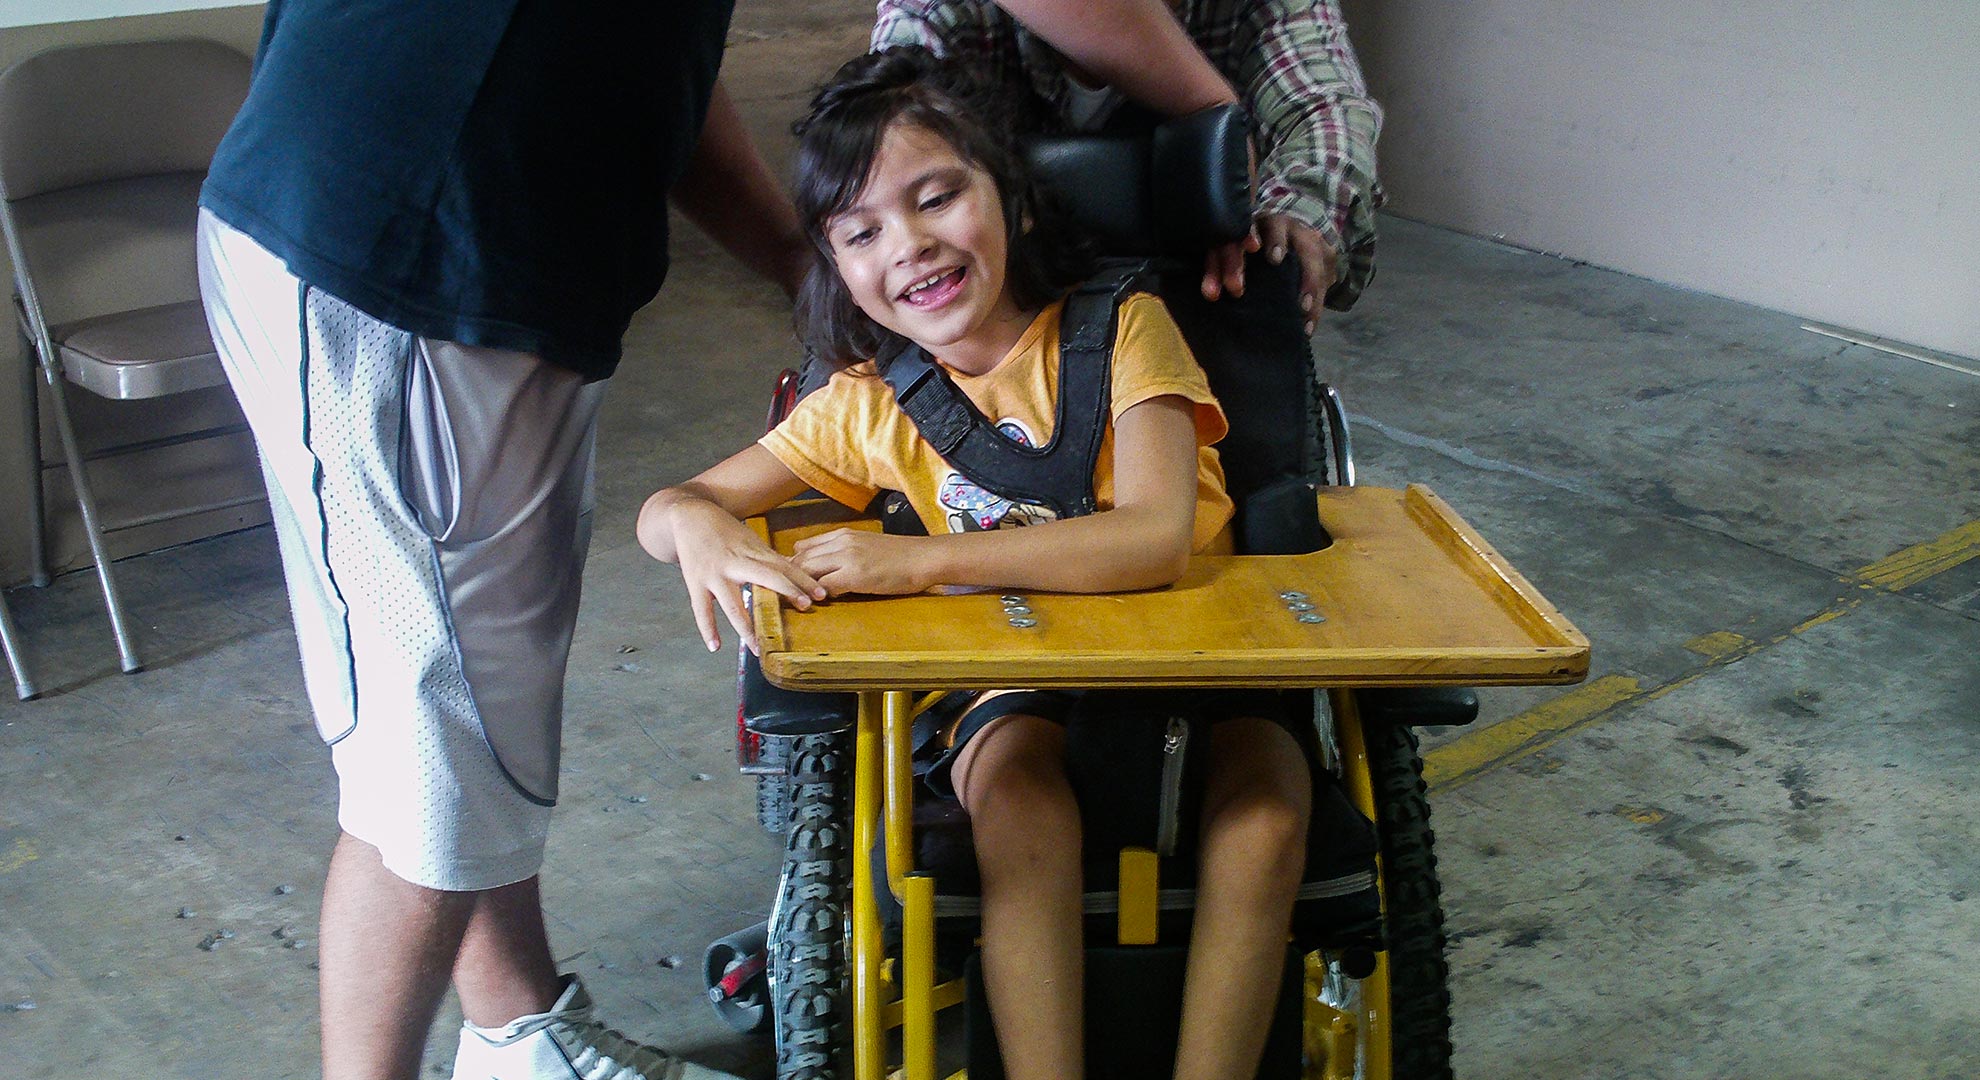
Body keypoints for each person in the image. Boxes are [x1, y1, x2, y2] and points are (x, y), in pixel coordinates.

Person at [635, 48, 1314, 1080]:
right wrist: (696, 526)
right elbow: (675, 504)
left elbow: (1151, 539)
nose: (906, 246)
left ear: (1016, 202)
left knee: (1265, 822)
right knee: (1022, 811)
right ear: (838, 265)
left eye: (936, 196)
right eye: (862, 232)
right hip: (1018, 679)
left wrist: (912, 564)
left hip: (1206, 661)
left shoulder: (1125, 331)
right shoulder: (868, 402)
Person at [194, 3, 806, 1079]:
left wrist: (806, 265)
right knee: (433, 752)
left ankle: (520, 1031)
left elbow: (665, 56)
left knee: (472, 717)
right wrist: (1207, 120)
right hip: (411, 261)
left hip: (457, 258)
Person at [873, 0, 1384, 505]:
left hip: (1199, 304)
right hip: (989, 316)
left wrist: (1294, 213)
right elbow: (879, 138)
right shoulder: (938, 15)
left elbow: (1325, 113)